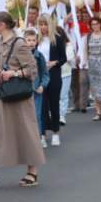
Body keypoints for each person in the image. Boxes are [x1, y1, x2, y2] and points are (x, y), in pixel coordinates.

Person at [0, 12, 44, 189]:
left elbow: (32, 70)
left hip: (20, 97)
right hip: (3, 95)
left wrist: (13, 73)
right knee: (0, 134)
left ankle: (32, 172)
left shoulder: (19, 44)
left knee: (26, 133)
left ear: (2, 25)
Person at [37, 15, 68, 145]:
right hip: (40, 77)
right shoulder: (36, 40)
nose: (43, 27)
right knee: (42, 107)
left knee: (54, 105)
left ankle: (55, 132)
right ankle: (42, 134)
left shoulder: (57, 38)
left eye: (45, 24)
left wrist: (54, 63)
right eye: (41, 24)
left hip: (54, 75)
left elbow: (63, 58)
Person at [26, 28, 50, 146]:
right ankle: (27, 140)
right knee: (25, 117)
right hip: (23, 91)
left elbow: (45, 74)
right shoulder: (20, 56)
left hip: (36, 91)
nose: (31, 43)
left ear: (36, 42)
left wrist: (42, 86)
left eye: (33, 40)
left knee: (37, 115)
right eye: (28, 40)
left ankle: (39, 137)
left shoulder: (39, 56)